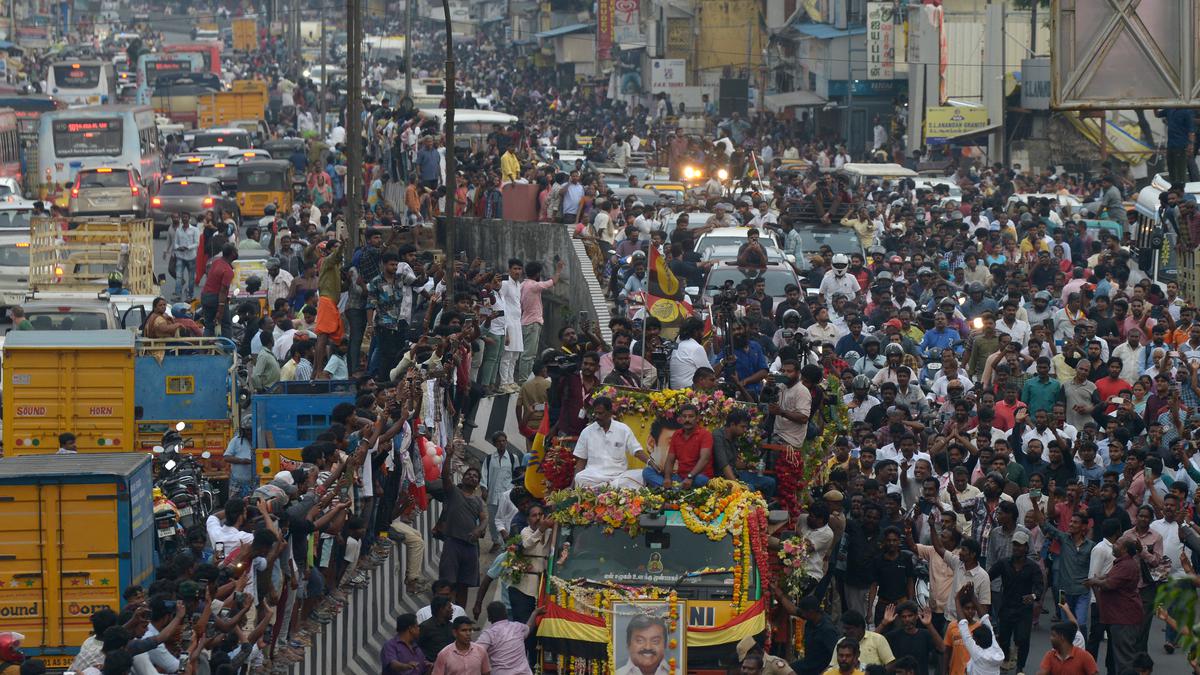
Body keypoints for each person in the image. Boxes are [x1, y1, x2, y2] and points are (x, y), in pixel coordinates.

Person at [572, 397, 653, 489]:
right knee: (580, 478)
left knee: (641, 474)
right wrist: (573, 486)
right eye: (596, 413)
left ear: (610, 413)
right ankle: (610, 488)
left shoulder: (623, 429)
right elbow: (581, 460)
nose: (597, 416)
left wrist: (651, 462)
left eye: (601, 413)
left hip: (618, 476)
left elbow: (637, 451)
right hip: (594, 476)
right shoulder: (587, 432)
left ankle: (602, 488)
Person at [475, 602, 545, 675]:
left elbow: (475, 653)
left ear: (489, 617)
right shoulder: (517, 627)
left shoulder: (488, 634)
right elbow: (529, 628)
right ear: (506, 614)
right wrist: (535, 613)